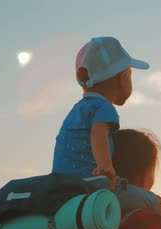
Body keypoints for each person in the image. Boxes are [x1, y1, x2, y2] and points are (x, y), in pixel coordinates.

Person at [52, 36, 148, 187]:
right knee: (148, 200)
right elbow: (98, 133)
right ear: (124, 77)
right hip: (87, 183)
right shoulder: (104, 108)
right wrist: (105, 165)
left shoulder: (78, 109)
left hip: (60, 185)